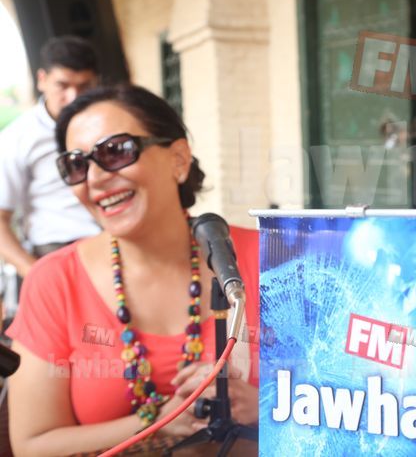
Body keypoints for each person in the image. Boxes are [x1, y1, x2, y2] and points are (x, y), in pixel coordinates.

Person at [5, 85, 259, 455]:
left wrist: (267, 407)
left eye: (115, 151)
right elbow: (33, 446)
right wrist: (159, 423)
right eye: (76, 164)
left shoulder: (272, 258)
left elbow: (343, 402)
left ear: (178, 159)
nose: (94, 178)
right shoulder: (55, 280)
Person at [0, 36, 100, 284]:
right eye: (62, 85)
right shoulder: (17, 138)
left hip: (116, 244)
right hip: (56, 254)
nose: (73, 97)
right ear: (42, 80)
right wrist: (36, 275)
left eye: (84, 86)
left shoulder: (108, 124)